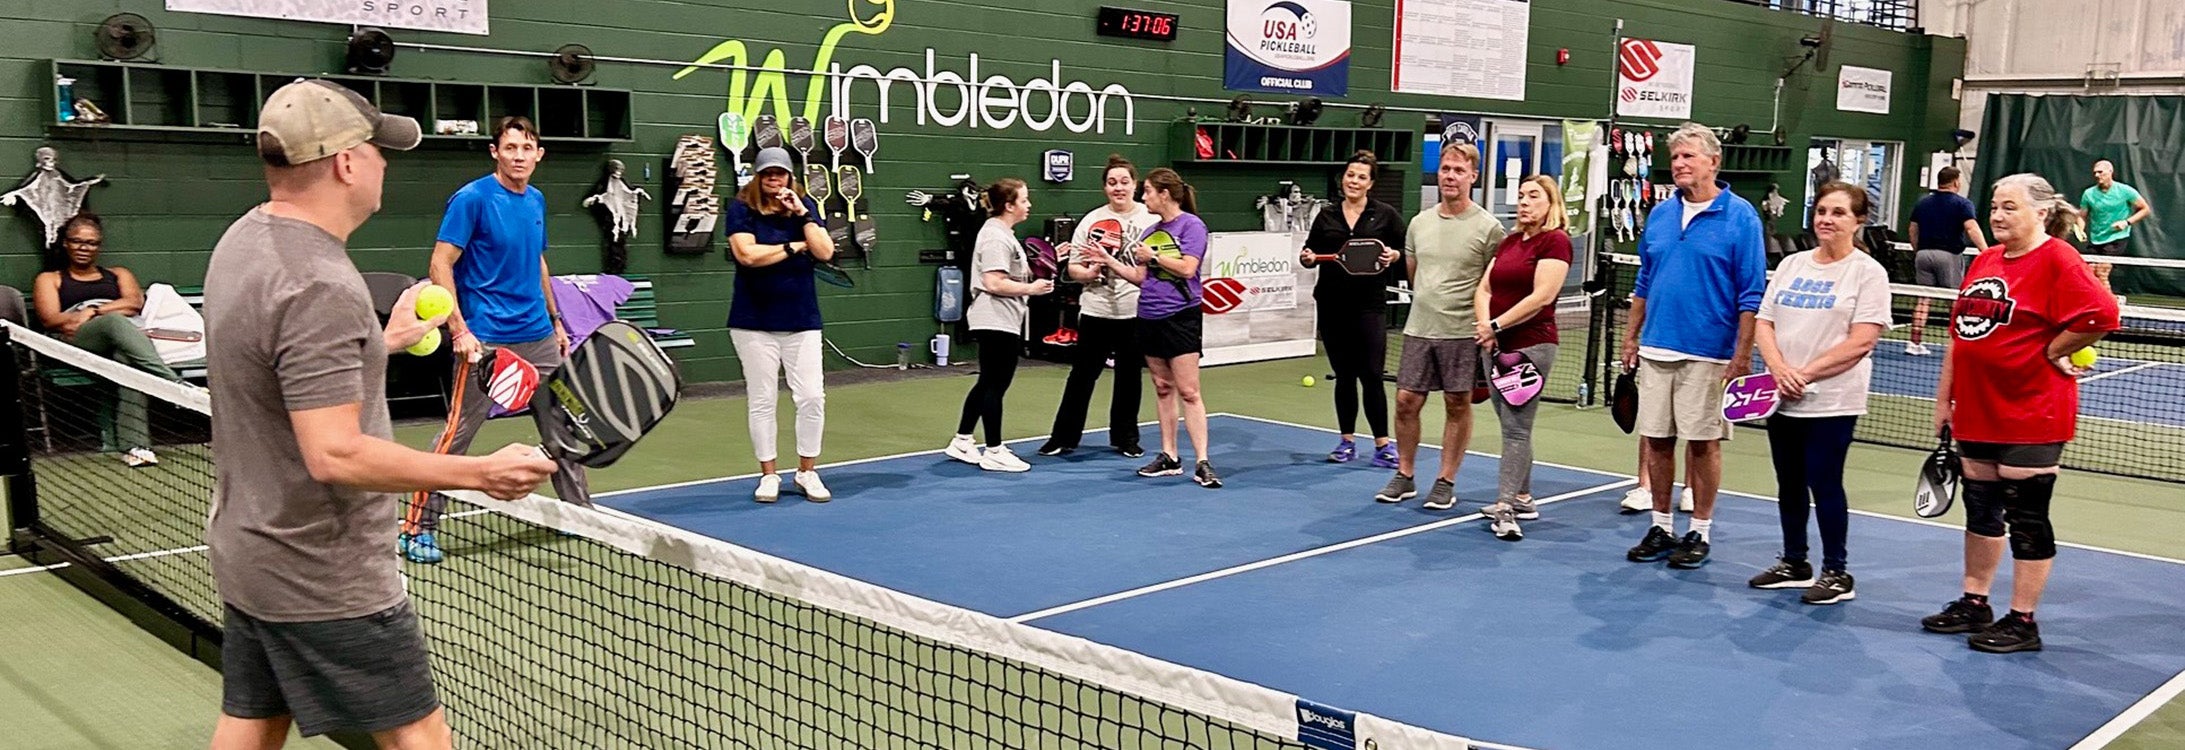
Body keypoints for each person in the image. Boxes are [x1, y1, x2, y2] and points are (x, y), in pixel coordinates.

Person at [204, 78, 555, 750]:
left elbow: (277, 369)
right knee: (419, 736)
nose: (384, 163)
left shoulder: (244, 242)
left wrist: (380, 343)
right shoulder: (321, 284)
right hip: (323, 569)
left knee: (253, 721)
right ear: (344, 163)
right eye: (375, 149)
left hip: (252, 547)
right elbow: (334, 452)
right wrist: (478, 473)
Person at [1922, 173, 2119, 653]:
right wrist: (1945, 398)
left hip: (2033, 410)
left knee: (2027, 516)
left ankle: (2023, 620)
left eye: (2009, 207)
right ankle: (1975, 602)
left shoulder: (2057, 259)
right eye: (1994, 206)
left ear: (2040, 212)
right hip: (1976, 408)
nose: (1997, 215)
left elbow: (2103, 315)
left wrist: (2055, 350)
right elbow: (1961, 333)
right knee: (1981, 508)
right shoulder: (1987, 259)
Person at [400, 116, 589, 565]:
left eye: (527, 148)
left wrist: (556, 319)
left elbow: (537, 262)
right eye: (510, 148)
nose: (519, 156)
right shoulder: (472, 199)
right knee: (457, 435)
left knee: (562, 426)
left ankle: (581, 514)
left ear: (538, 154)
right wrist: (459, 330)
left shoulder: (536, 199)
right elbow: (440, 265)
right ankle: (416, 529)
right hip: (485, 340)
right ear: (495, 152)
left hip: (538, 335)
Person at [1620, 122, 1767, 569]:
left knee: (1703, 444)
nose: (1679, 164)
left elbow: (1751, 293)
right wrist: (1631, 336)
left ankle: (1698, 532)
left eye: (1688, 156)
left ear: (1713, 162)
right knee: (1657, 440)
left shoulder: (1741, 217)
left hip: (1710, 352)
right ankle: (1661, 526)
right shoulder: (1662, 214)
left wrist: (1742, 355)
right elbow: (1644, 280)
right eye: (1676, 156)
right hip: (1657, 347)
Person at [1747, 182, 1892, 604]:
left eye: (1839, 213)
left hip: (1833, 400)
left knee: (1824, 483)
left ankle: (1837, 573)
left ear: (1859, 221)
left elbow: (1862, 340)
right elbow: (1764, 321)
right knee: (1788, 482)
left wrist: (1805, 374)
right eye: (1822, 211)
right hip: (1782, 395)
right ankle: (1795, 562)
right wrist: (1778, 369)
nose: (1826, 219)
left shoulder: (1869, 273)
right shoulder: (1792, 264)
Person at [1376, 141, 1506, 510]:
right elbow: (1416, 276)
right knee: (1405, 402)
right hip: (1419, 329)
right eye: (1446, 169)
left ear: (1473, 177)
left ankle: (1445, 480)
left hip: (1463, 331)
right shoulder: (1419, 223)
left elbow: (1491, 283)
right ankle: (1405, 474)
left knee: (1456, 403)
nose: (1451, 176)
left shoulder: (1489, 228)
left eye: (1459, 170)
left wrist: (1486, 326)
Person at [1085, 168, 1222, 488]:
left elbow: (1189, 268)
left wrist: (1154, 256)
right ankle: (1169, 456)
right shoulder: (1150, 233)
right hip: (1148, 316)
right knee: (1162, 387)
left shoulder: (1192, 226)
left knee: (1189, 391)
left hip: (1181, 317)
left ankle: (1202, 461)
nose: (1143, 196)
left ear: (1165, 194)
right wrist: (1109, 260)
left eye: (1147, 191)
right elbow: (1141, 278)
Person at [727, 147, 835, 502]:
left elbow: (825, 251)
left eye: (781, 174)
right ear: (758, 176)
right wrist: (792, 246)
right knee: (762, 399)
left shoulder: (805, 207)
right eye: (768, 174)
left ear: (790, 176)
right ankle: (769, 476)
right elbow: (747, 255)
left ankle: (807, 471)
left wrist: (803, 214)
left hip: (802, 320)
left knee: (811, 397)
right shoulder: (740, 208)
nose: (775, 179)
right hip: (752, 322)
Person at [30, 211, 181, 467]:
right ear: (66, 242)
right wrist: (107, 313)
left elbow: (135, 303)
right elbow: (51, 319)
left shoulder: (118, 274)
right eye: (77, 241)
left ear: (98, 247)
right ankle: (174, 385)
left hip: (117, 339)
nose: (84, 248)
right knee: (115, 322)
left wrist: (92, 311)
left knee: (127, 360)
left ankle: (136, 447)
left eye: (91, 243)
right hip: (75, 341)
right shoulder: (51, 279)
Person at [1473, 176, 1571, 540]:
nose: (1524, 202)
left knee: (1516, 427)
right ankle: (1524, 497)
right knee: (1511, 423)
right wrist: (1486, 326)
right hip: (1494, 345)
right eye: (1520, 196)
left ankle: (1504, 507)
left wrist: (1495, 325)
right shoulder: (1511, 241)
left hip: (1532, 345)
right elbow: (1485, 286)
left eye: (1533, 196)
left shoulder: (1556, 241)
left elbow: (1542, 296)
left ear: (1551, 203)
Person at [1039, 155, 1155, 459]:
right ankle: (1063, 438)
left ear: (1135, 185)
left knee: (1129, 378)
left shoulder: (1151, 220)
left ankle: (1126, 438)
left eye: (1124, 182)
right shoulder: (1091, 220)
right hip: (1095, 311)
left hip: (1134, 311)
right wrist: (1087, 274)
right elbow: (1074, 268)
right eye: (1112, 182)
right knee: (1081, 376)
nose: (1119, 188)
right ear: (1105, 187)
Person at [1300, 150, 1404, 468]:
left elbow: (1405, 250)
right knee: (1344, 376)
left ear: (1370, 183)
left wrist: (1394, 257)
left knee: (1372, 374)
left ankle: (1383, 445)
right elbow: (1311, 251)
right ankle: (1346, 441)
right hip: (1332, 304)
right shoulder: (1327, 215)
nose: (1353, 181)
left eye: (1361, 176)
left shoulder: (1385, 215)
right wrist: (1306, 258)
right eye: (1350, 175)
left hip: (1369, 306)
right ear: (1342, 178)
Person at [944, 178, 1053, 472]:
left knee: (988, 382)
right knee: (996, 384)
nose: (1029, 205)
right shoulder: (995, 236)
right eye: (1024, 200)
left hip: (1002, 318)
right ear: (1009, 206)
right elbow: (993, 282)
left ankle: (962, 440)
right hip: (994, 318)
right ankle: (994, 450)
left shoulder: (1002, 233)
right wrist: (1032, 289)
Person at [1903, 166, 1987, 355]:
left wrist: (1919, 251)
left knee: (1923, 300)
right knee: (1955, 301)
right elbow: (1972, 229)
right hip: (1948, 256)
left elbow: (1912, 230)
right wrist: (1986, 252)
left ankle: (1913, 344)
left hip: (1923, 255)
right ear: (1956, 182)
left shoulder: (1922, 203)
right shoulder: (1963, 204)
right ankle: (1961, 343)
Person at [2076, 159, 2153, 293]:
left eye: (2100, 172)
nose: (2097, 175)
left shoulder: (2125, 191)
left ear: (2110, 172)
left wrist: (2126, 222)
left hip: (2117, 238)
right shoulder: (2088, 194)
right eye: (2095, 173)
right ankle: (2105, 301)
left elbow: (2145, 209)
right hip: (2096, 238)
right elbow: (2081, 215)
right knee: (2091, 272)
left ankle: (2109, 305)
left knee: (2102, 272)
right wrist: (2080, 229)